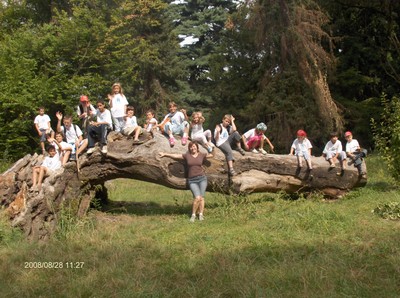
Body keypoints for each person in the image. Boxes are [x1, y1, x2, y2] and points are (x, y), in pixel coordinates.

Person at [159, 141, 212, 222]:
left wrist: (213, 147)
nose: (192, 148)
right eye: (191, 147)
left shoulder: (202, 155)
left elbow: (212, 155)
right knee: (197, 197)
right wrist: (165, 154)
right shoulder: (187, 156)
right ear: (189, 148)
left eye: (194, 146)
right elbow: (176, 156)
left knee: (201, 198)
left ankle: (201, 214)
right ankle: (193, 215)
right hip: (192, 180)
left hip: (202, 179)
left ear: (197, 147)